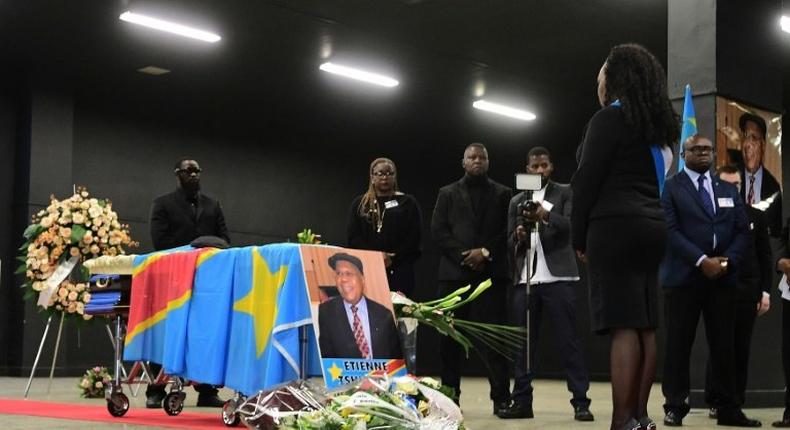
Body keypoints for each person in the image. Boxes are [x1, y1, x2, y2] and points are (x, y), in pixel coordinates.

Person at [570, 43, 678, 430]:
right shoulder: (661, 130)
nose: (598, 82)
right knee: (645, 323)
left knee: (622, 324)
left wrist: (577, 235)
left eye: (601, 74)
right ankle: (641, 416)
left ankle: (620, 421)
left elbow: (585, 183)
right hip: (653, 230)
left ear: (616, 79)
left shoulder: (607, 120)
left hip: (614, 227)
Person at [660, 135, 758, 427]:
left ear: (713, 153)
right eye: (695, 149)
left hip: (723, 279)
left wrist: (726, 261)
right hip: (684, 278)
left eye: (707, 149)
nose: (702, 153)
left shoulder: (727, 188)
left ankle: (728, 408)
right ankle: (675, 406)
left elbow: (743, 230)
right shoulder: (671, 187)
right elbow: (671, 231)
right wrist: (702, 261)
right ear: (683, 153)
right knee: (678, 345)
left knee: (724, 346)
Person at [498, 146, 593, 421]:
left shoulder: (564, 192)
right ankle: (522, 402)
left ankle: (580, 401)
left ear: (551, 167)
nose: (539, 170)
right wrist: (517, 235)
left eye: (544, 166)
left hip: (557, 278)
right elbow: (508, 241)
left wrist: (545, 215)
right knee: (523, 346)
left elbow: (571, 227)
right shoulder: (517, 200)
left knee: (569, 341)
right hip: (525, 278)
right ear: (526, 169)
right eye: (534, 167)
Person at [431, 142, 512, 412]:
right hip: (454, 277)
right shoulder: (447, 193)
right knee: (449, 342)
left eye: (482, 157)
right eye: (472, 157)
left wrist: (485, 253)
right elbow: (438, 230)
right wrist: (465, 255)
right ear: (463, 162)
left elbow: (507, 231)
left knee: (494, 340)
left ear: (488, 162)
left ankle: (501, 399)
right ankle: (450, 400)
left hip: (490, 278)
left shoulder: (504, 194)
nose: (477, 160)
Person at [146, 157, 230, 409]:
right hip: (172, 278)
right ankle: (156, 389)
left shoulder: (213, 204)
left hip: (207, 281)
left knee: (205, 333)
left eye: (197, 171)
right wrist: (190, 252)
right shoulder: (162, 204)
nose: (194, 175)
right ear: (177, 174)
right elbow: (159, 241)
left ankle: (206, 389)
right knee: (166, 331)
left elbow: (224, 239)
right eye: (188, 171)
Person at [704, 165, 771, 420]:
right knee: (719, 347)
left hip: (747, 291)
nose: (733, 190)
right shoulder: (709, 215)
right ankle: (716, 399)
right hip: (718, 290)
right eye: (727, 185)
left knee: (740, 348)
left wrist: (764, 292)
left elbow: (765, 257)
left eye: (737, 185)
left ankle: (735, 401)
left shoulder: (756, 215)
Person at [347, 158, 422, 297]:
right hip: (367, 268)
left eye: (389, 173)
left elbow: (414, 236)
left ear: (395, 177)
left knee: (400, 312)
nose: (384, 177)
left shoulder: (407, 202)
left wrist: (392, 257)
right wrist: (376, 257)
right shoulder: (360, 204)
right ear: (372, 176)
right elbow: (353, 237)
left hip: (399, 268)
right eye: (380, 173)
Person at [317, 252, 401, 359]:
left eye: (348, 273)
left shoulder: (384, 315)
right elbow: (327, 357)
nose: (343, 279)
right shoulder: (327, 312)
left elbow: (396, 360)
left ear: (362, 280)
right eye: (339, 274)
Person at [739, 112, 782, 237]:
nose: (748, 144)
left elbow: (775, 233)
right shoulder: (732, 179)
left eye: (753, 138)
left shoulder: (773, 187)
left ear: (763, 145)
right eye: (745, 137)